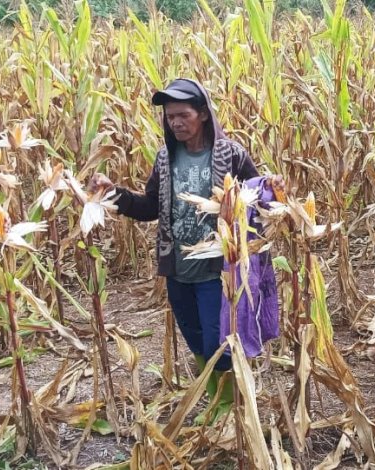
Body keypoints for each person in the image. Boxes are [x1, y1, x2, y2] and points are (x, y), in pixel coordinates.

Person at [91, 78, 259, 424]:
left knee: (219, 343)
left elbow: (258, 196)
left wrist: (274, 195)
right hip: (178, 267)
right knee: (196, 339)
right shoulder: (166, 158)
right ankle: (215, 403)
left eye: (183, 115)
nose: (176, 123)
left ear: (203, 114)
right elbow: (151, 206)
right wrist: (115, 195)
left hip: (217, 268)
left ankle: (230, 410)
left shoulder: (230, 155)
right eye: (170, 117)